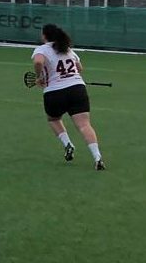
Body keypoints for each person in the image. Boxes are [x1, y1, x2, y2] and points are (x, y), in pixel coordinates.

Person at [32, 23, 105, 170]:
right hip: (77, 89)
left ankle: (68, 144)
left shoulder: (42, 49)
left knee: (53, 119)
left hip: (54, 91)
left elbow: (38, 61)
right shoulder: (67, 48)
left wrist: (39, 76)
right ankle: (97, 157)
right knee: (84, 125)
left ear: (45, 35)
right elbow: (79, 68)